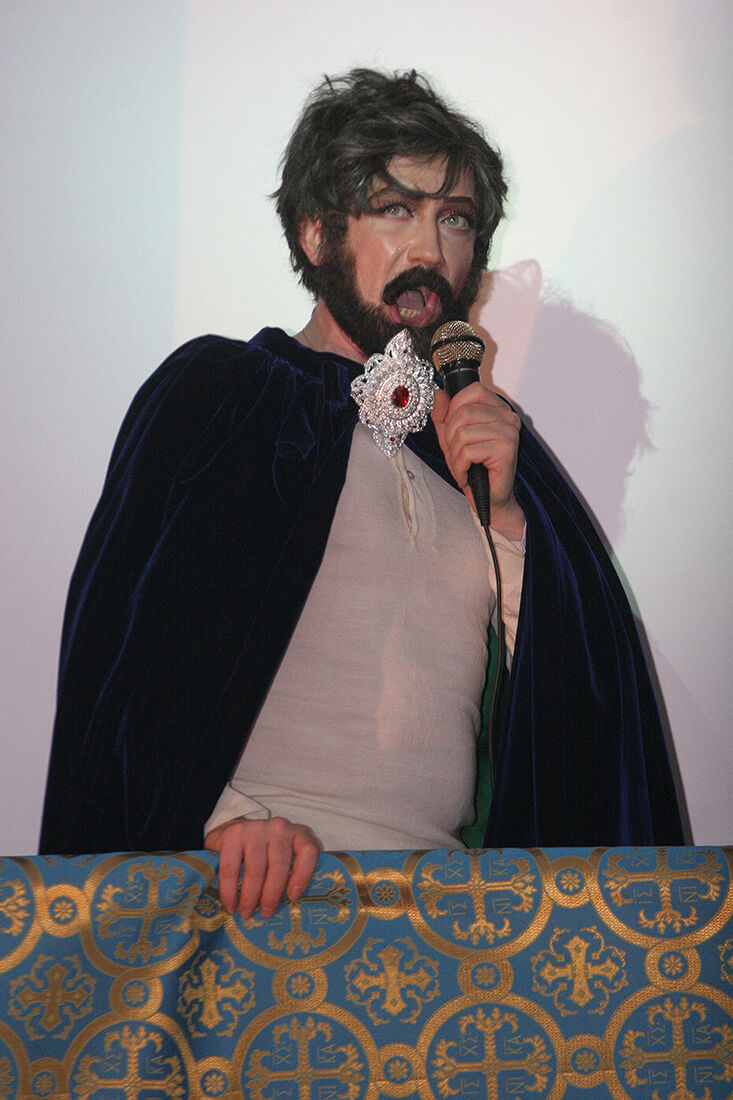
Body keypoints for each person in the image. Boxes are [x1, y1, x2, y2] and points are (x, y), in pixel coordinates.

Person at [40, 69, 683, 917]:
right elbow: (127, 663)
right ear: (316, 234)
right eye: (395, 209)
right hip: (245, 899)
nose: (431, 248)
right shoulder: (224, 396)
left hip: (445, 917)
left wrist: (507, 519)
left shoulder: (490, 450)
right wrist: (220, 819)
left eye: (454, 218)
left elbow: (569, 719)